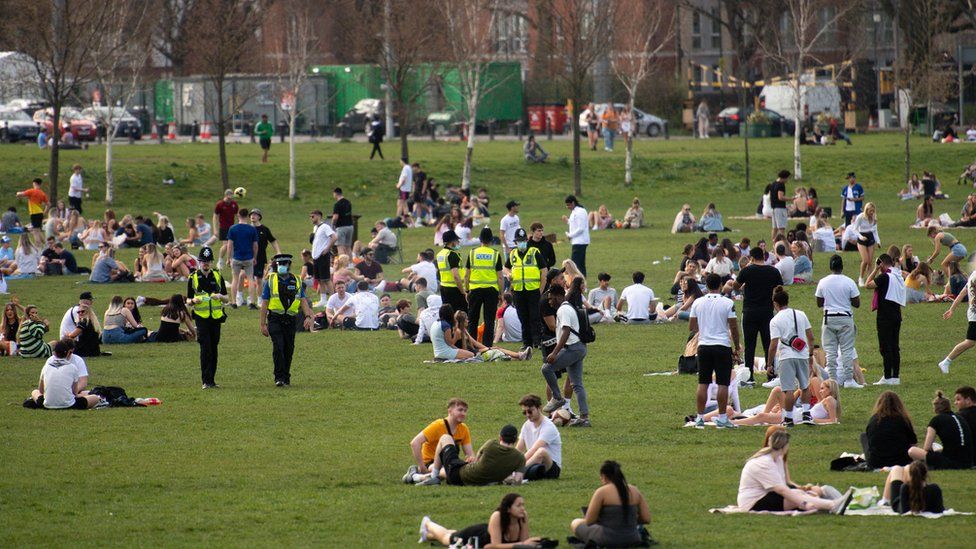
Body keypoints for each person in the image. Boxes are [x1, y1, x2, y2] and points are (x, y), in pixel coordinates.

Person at [737, 430, 853, 514]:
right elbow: (781, 490)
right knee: (798, 496)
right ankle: (833, 505)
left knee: (805, 493)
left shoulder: (777, 459)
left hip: (766, 495)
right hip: (753, 503)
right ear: (785, 446)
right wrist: (804, 503)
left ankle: (840, 505)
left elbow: (783, 486)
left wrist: (803, 493)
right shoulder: (763, 463)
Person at [724, 247, 782, 385]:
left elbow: (736, 286)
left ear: (751, 257)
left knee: (750, 345)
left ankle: (749, 376)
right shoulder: (773, 271)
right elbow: (779, 290)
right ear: (764, 256)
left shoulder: (747, 271)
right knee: (768, 343)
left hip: (749, 311)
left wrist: (746, 285)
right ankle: (771, 374)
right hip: (767, 311)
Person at [690, 274, 740, 429]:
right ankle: (723, 417)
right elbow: (733, 326)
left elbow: (692, 326)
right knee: (723, 383)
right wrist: (737, 346)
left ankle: (699, 418)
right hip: (722, 346)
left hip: (704, 346)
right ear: (721, 285)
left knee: (703, 382)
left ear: (706, 284)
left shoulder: (698, 302)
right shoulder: (727, 302)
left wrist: (704, 328)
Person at [259, 254, 315, 387]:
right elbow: (264, 304)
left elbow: (303, 301)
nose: (282, 267)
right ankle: (279, 377)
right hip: (275, 319)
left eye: (284, 264)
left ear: (289, 265)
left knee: (288, 349)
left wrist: (308, 317)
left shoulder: (296, 281)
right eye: (279, 264)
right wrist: (262, 324)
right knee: (278, 347)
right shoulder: (270, 281)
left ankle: (286, 376)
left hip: (290, 320)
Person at [541, 281, 590, 427]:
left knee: (546, 368)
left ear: (558, 296)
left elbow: (566, 331)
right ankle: (584, 418)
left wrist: (555, 353)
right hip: (579, 347)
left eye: (551, 298)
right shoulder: (567, 307)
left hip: (573, 348)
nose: (549, 302)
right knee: (577, 385)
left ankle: (557, 398)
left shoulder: (563, 310)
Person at [570, 461, 651, 547]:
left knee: (575, 522)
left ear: (604, 476)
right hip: (632, 538)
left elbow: (589, 521)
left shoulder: (602, 492)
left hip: (607, 538)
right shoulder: (635, 490)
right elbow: (646, 519)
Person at [415, 424, 526, 486]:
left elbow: (476, 460)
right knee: (447, 470)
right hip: (472, 479)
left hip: (461, 474)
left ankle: (433, 477)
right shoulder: (520, 458)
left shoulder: (491, 444)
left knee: (445, 438)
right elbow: (517, 481)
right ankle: (417, 477)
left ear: (500, 437)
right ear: (516, 440)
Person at [766, 286, 815, 426]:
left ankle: (788, 418)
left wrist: (769, 364)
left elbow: (773, 344)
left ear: (775, 304)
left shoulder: (775, 320)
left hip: (786, 355)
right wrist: (810, 353)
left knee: (788, 389)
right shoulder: (801, 314)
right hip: (802, 354)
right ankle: (807, 414)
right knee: (804, 386)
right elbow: (811, 337)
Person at [419, 493, 539, 548]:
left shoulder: (523, 516)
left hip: (486, 534)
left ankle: (427, 535)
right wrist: (522, 545)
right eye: (519, 505)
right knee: (447, 539)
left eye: (523, 505)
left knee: (452, 534)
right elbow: (494, 545)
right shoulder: (497, 516)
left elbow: (523, 542)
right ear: (508, 508)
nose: (522, 509)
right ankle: (428, 524)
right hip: (476, 536)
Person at [816, 255, 862, 388]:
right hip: (845, 317)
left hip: (828, 317)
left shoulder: (823, 282)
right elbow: (857, 303)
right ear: (842, 266)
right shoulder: (849, 282)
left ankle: (832, 379)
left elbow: (819, 302)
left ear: (830, 267)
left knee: (830, 352)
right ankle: (849, 380)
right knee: (847, 350)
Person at [403, 398, 474, 482]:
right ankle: (419, 476)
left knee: (460, 470)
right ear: (450, 411)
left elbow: (469, 454)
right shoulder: (438, 426)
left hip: (449, 462)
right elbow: (415, 443)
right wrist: (422, 467)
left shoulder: (464, 429)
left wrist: (471, 459)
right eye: (460, 410)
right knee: (448, 472)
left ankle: (418, 476)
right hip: (431, 463)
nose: (463, 413)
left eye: (465, 411)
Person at [187, 247, 229, 389]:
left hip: (216, 318)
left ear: (211, 262)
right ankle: (206, 380)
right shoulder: (193, 278)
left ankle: (212, 380)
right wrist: (193, 302)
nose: (206, 264)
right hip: (201, 317)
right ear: (199, 262)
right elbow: (187, 299)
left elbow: (227, 298)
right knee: (205, 349)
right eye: (203, 261)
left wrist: (220, 297)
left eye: (208, 261)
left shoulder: (217, 276)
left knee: (214, 348)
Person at [27, 340, 102, 410]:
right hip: (69, 404)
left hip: (46, 404)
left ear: (54, 353)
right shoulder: (72, 367)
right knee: (95, 398)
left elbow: (41, 390)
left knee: (35, 392)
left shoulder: (46, 367)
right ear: (68, 352)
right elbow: (74, 393)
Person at [908, 390, 975, 469]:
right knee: (938, 448)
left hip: (952, 462)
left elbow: (927, 448)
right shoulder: (959, 417)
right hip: (968, 462)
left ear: (935, 408)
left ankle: (926, 466)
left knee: (912, 450)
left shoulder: (936, 420)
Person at [866, 253, 905, 385]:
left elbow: (868, 284)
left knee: (885, 346)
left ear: (881, 263)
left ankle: (887, 376)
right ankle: (895, 376)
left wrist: (875, 270)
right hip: (896, 314)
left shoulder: (885, 277)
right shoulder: (897, 275)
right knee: (895, 346)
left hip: (885, 316)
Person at [507, 228, 546, 349]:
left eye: (523, 240)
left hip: (533, 290)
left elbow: (544, 271)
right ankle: (527, 343)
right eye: (519, 241)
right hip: (518, 291)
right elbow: (506, 267)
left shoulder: (534, 252)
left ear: (527, 240)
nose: (521, 243)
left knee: (534, 317)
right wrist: (508, 274)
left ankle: (537, 341)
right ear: (515, 242)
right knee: (523, 317)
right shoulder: (513, 254)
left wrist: (541, 289)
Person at [863, 391, 918, 469]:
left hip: (876, 463)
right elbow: (913, 444)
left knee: (863, 436)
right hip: (901, 461)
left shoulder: (874, 420)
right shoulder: (902, 420)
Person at [516, 394, 562, 480]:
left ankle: (515, 473)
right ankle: (516, 474)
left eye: (530, 411)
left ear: (539, 408)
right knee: (533, 472)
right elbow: (519, 449)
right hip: (536, 464)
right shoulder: (526, 425)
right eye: (524, 412)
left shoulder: (548, 426)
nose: (527, 415)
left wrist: (517, 466)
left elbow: (534, 449)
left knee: (541, 452)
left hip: (551, 468)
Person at [226, 209, 258, 309]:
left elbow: (229, 245)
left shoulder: (233, 228)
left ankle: (234, 302)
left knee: (235, 279)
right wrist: (254, 257)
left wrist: (228, 258)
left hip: (236, 257)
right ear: (247, 216)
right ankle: (252, 302)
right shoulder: (252, 229)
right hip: (248, 257)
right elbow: (255, 245)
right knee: (250, 279)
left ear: (238, 215)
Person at [59, 292, 102, 358]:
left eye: (82, 312)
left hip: (81, 346)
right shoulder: (83, 313)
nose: (80, 313)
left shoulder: (82, 318)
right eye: (91, 300)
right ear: (87, 302)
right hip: (93, 349)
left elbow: (75, 333)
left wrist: (68, 334)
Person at [309, 210, 337, 308]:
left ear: (319, 216)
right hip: (316, 256)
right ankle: (323, 299)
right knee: (320, 279)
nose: (311, 218)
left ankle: (333, 300)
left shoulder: (325, 226)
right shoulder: (315, 228)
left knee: (326, 278)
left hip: (323, 255)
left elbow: (334, 237)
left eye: (313, 216)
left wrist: (327, 248)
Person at [436, 230, 467, 314]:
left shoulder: (440, 255)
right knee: (461, 315)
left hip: (444, 288)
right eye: (457, 240)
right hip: (455, 290)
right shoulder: (452, 255)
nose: (458, 242)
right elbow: (456, 276)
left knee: (449, 314)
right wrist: (463, 292)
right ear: (452, 241)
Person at [249, 208, 279, 288]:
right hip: (247, 256)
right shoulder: (247, 228)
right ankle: (241, 296)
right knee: (246, 277)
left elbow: (273, 240)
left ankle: (259, 299)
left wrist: (278, 252)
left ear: (259, 217)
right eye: (251, 214)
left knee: (259, 279)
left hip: (260, 256)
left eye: (255, 214)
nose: (252, 216)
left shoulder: (264, 229)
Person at [15, 178, 48, 243]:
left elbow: (19, 194)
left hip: (34, 213)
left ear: (34, 183)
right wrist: (44, 212)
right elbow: (48, 204)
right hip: (40, 213)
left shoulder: (31, 191)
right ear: (40, 184)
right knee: (38, 230)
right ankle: (46, 244)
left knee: (35, 231)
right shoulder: (42, 193)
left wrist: (18, 193)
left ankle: (38, 246)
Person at [563, 195, 589, 276]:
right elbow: (574, 224)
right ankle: (582, 284)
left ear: (573, 203)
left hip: (580, 241)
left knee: (576, 265)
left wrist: (570, 235)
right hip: (577, 241)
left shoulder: (580, 211)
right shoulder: (574, 211)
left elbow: (581, 228)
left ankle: (580, 284)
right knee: (579, 264)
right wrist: (567, 221)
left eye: (568, 205)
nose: (567, 207)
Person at [213, 190, 238, 270]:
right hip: (223, 227)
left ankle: (231, 261)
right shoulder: (220, 204)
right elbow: (215, 217)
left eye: (232, 196)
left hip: (233, 227)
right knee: (226, 245)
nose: (230, 199)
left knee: (232, 245)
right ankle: (220, 260)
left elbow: (238, 215)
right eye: (229, 196)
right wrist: (215, 229)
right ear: (226, 195)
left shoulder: (234, 204)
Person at [331, 188, 354, 258]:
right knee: (348, 247)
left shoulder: (337, 204)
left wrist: (332, 224)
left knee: (340, 246)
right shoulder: (348, 202)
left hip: (341, 227)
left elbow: (335, 217)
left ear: (335, 193)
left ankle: (343, 264)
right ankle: (350, 264)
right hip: (350, 226)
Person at [769, 170, 789, 240]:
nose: (787, 180)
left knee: (774, 228)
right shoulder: (781, 185)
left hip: (774, 208)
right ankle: (782, 244)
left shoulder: (773, 184)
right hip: (780, 208)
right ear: (784, 178)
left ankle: (773, 243)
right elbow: (780, 197)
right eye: (787, 178)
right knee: (781, 228)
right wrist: (791, 199)